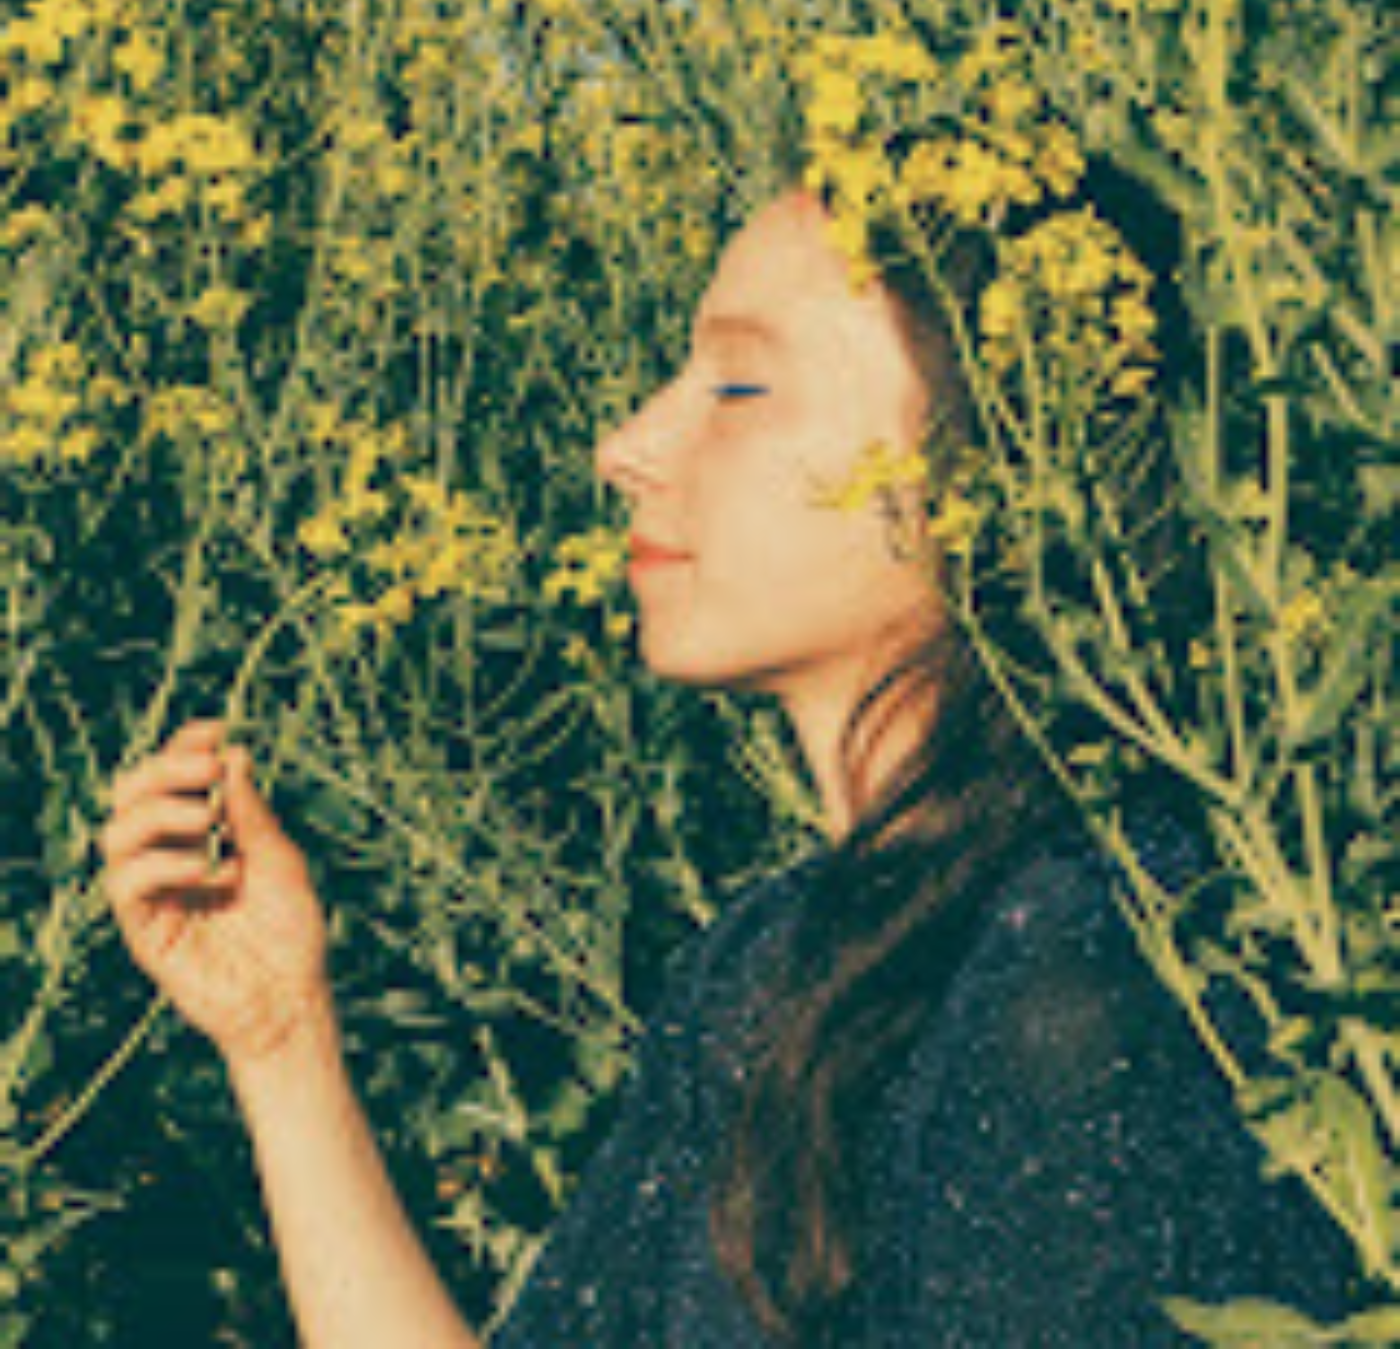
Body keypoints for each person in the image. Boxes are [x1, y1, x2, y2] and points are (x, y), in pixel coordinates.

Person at [98, 173, 1366, 1345]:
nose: (625, 445)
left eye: (742, 389)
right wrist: (282, 1040)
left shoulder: (1092, 977)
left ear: (1010, 456)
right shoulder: (777, 956)